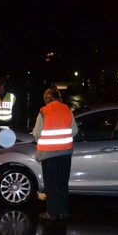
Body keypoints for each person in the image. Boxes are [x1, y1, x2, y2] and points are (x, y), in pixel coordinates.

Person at [32, 86, 78, 221]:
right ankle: (62, 211)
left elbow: (37, 133)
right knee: (63, 184)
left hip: (48, 155)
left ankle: (52, 213)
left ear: (47, 98)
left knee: (51, 185)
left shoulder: (44, 111)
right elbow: (74, 130)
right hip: (65, 154)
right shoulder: (67, 110)